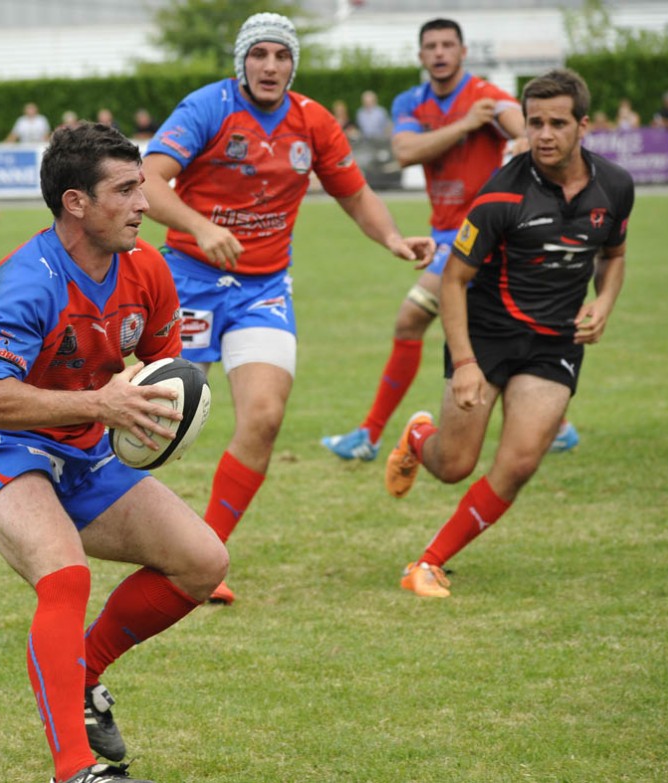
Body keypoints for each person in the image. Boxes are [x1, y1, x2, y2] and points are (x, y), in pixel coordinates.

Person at [0, 122, 228, 783]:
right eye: (126, 190)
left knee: (203, 562)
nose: (145, 204)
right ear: (76, 203)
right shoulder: (25, 280)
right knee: (66, 573)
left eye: (144, 187)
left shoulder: (148, 268)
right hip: (3, 449)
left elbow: (163, 365)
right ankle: (74, 769)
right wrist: (101, 404)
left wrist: (158, 415)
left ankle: (84, 674)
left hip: (86, 453)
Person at [141, 12, 434, 604]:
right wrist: (201, 226)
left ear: (292, 63)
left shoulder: (312, 121)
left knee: (265, 417)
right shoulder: (208, 108)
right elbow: (147, 179)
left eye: (281, 55)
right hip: (188, 282)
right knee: (142, 415)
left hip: (262, 291)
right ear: (242, 62)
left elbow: (355, 192)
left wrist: (394, 240)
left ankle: (205, 560)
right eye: (259, 55)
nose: (270, 65)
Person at [385, 68, 634, 598]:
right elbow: (453, 280)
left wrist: (605, 301)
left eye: (558, 123)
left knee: (519, 463)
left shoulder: (615, 187)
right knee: (454, 465)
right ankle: (418, 436)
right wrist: (466, 361)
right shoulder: (500, 195)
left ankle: (427, 563)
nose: (544, 134)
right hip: (487, 335)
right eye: (535, 122)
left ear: (583, 125)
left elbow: (613, 255)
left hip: (554, 343)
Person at [322, 18, 581, 462]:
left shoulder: (484, 94)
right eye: (431, 46)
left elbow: (520, 125)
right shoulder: (412, 101)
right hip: (447, 235)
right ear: (421, 56)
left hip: (483, 238)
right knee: (495, 324)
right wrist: (464, 125)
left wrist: (520, 137)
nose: (439, 53)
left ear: (463, 52)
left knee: (411, 321)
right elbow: (405, 151)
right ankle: (557, 424)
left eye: (448, 45)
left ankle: (370, 434)